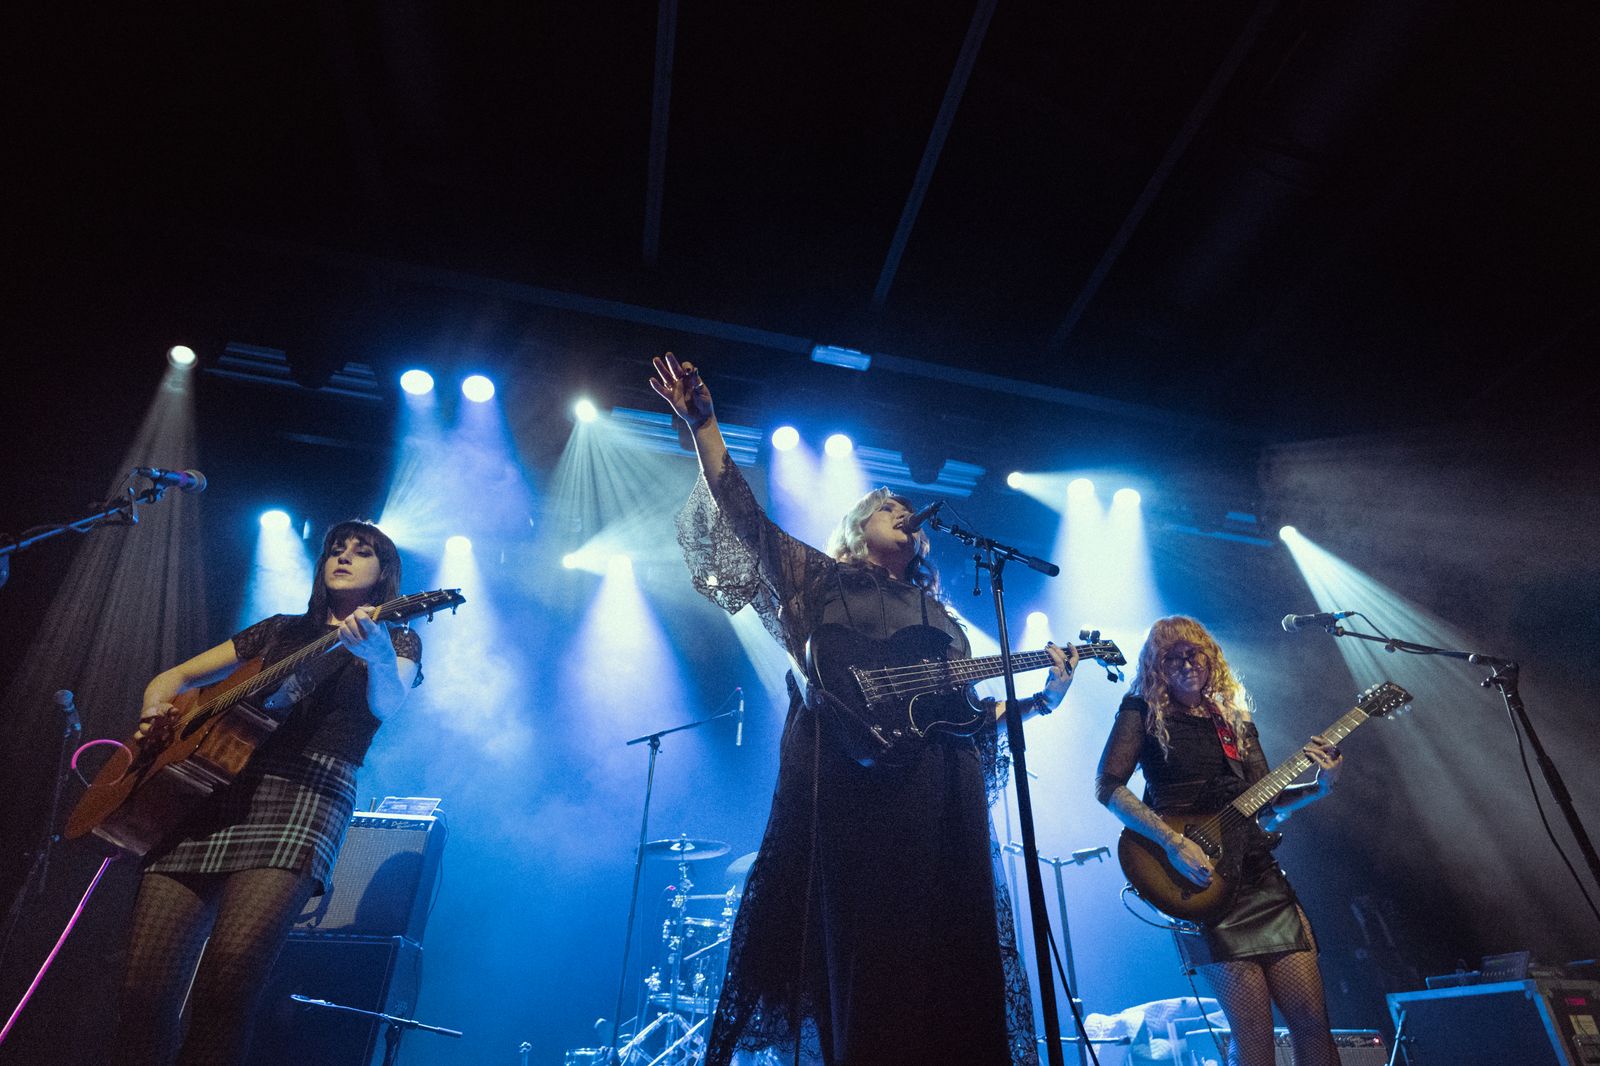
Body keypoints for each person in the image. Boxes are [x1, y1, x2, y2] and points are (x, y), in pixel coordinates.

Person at [651, 353, 1077, 1066]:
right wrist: (705, 426)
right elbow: (745, 519)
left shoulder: (944, 621)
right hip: (853, 798)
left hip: (940, 800)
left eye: (909, 512)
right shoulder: (819, 582)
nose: (904, 513)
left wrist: (1042, 699)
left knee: (944, 967)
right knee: (865, 964)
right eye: (887, 508)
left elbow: (968, 720)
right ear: (856, 530)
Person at [114, 520, 422, 1065]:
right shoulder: (279, 629)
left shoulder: (395, 637)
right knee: (142, 991)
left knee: (226, 988)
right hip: (214, 791)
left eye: (361, 552)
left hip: (307, 795)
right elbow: (173, 678)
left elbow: (387, 705)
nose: (343, 557)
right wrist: (154, 714)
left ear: (384, 574)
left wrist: (376, 656)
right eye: (336, 549)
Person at [1093, 616, 1343, 1066]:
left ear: (1211, 659)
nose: (1187, 663)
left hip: (1258, 876)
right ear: (1156, 666)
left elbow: (1263, 799)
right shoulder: (1141, 710)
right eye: (1173, 657)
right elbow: (1108, 786)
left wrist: (1320, 786)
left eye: (1195, 654)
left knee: (1312, 1023)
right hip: (1198, 880)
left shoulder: (1232, 717)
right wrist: (1173, 842)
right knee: (1254, 1039)